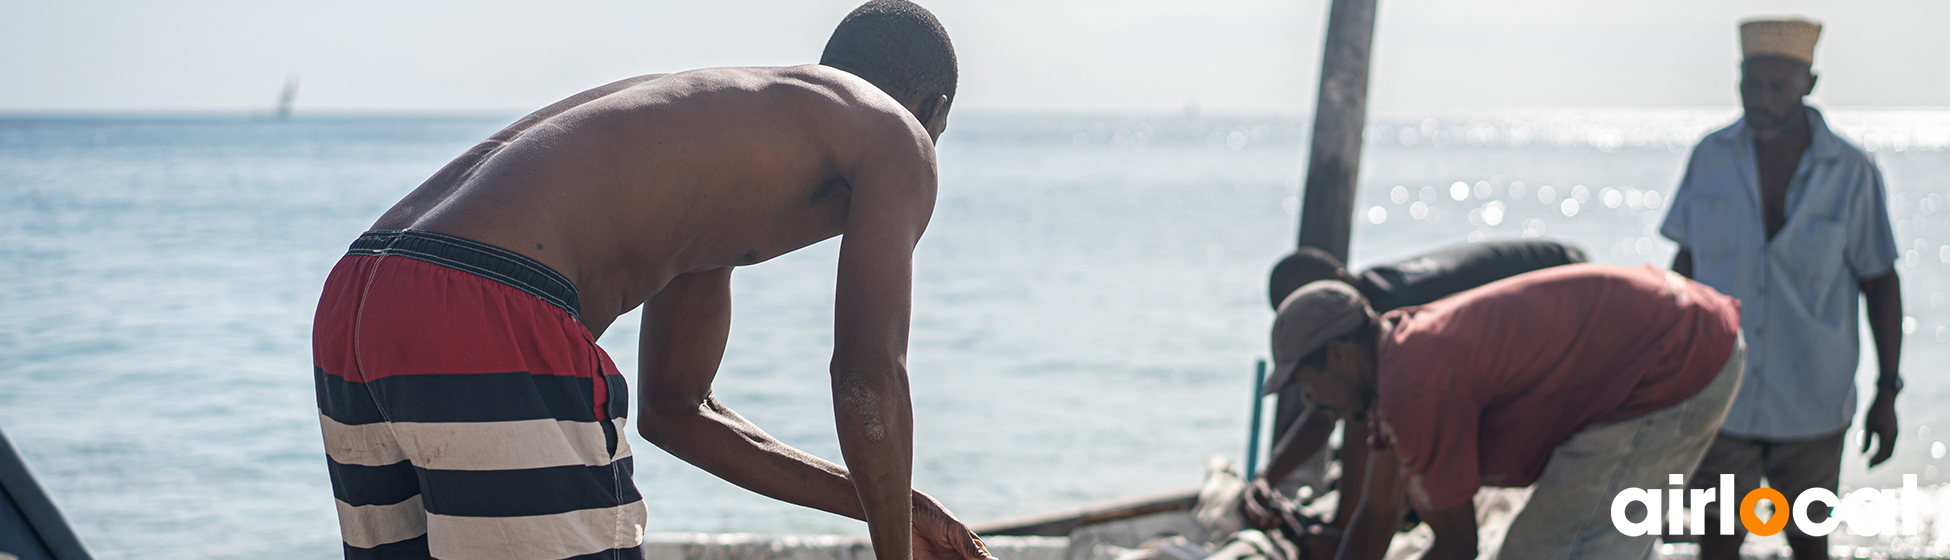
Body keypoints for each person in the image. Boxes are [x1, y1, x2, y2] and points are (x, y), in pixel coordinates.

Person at [309, 2, 996, 559]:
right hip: (491, 301)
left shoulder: (735, 122)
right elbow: (867, 376)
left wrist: (898, 508)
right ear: (933, 111)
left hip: (359, 298)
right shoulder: (898, 136)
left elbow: (675, 410)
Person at [1271, 264, 1744, 560]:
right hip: (1676, 327)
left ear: (1337, 356)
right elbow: (1376, 515)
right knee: (1589, 538)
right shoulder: (1396, 354)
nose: (1313, 404)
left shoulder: (1413, 385)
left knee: (1545, 552)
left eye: (1305, 386)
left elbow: (1458, 547)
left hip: (1676, 356)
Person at [1660, 18, 1905, 560]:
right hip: (1723, 396)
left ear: (1808, 84)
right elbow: (1684, 270)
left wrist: (1887, 392)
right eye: (1750, 84)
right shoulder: (1709, 158)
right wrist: (1669, 374)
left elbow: (1880, 283)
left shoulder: (1851, 172)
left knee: (1808, 539)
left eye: (1776, 87)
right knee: (1717, 542)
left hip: (1815, 404)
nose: (1760, 99)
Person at [1243, 240, 1586, 553]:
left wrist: (1342, 528)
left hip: (1566, 289)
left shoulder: (1396, 325)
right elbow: (1331, 410)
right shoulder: (1361, 326)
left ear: (1340, 280)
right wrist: (1266, 478)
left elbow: (1356, 414)